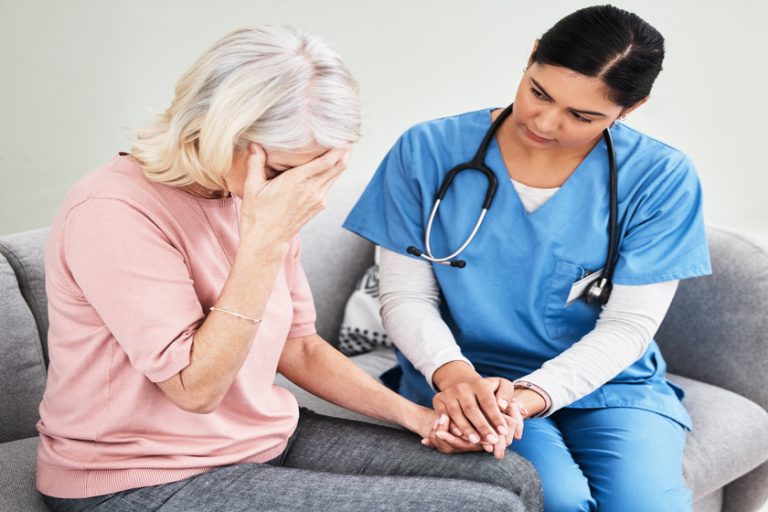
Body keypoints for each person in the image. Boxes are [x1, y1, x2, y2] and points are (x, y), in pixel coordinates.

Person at [36, 26, 543, 512]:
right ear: (214, 132)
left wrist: (420, 418)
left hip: (260, 438)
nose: (300, 191)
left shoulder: (249, 195)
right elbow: (196, 389)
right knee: (486, 507)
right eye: (283, 171)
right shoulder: (113, 211)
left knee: (511, 477)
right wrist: (263, 241)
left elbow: (298, 346)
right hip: (142, 476)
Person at [343, 5, 710, 512]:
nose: (545, 122)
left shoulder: (661, 178)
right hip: (467, 378)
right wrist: (455, 377)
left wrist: (529, 395)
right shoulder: (426, 150)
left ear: (631, 108)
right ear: (533, 54)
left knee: (645, 506)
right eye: (539, 92)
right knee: (554, 499)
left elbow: (628, 325)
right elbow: (406, 296)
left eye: (582, 116)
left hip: (610, 384)